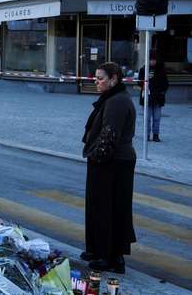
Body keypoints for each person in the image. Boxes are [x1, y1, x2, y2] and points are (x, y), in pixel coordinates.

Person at [81, 62, 136, 274]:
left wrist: (96, 157)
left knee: (109, 209)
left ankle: (110, 257)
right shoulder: (112, 98)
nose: (96, 82)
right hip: (111, 162)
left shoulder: (117, 102)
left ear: (114, 79)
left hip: (113, 163)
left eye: (101, 78)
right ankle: (98, 250)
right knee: (100, 207)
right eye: (95, 78)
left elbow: (109, 137)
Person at [138, 56, 168, 142]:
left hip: (158, 98)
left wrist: (162, 92)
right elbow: (139, 82)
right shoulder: (143, 69)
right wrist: (144, 86)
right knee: (147, 118)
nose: (152, 61)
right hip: (147, 97)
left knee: (157, 118)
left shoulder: (161, 70)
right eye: (151, 60)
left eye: (154, 60)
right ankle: (147, 135)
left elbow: (166, 84)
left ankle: (156, 135)